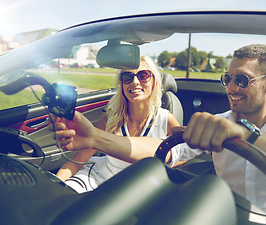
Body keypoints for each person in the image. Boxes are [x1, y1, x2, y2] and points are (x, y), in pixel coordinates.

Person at [53, 44, 266, 225]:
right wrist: (96, 139)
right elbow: (165, 150)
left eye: (242, 80)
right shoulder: (219, 121)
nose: (231, 88)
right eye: (227, 78)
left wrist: (244, 134)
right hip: (224, 220)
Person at [55, 55, 195, 193]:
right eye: (127, 77)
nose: (134, 82)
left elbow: (181, 154)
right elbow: (77, 162)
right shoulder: (109, 119)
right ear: (121, 85)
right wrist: (54, 185)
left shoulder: (166, 119)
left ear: (154, 82)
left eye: (143, 75)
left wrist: (162, 165)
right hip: (98, 179)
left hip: (140, 187)